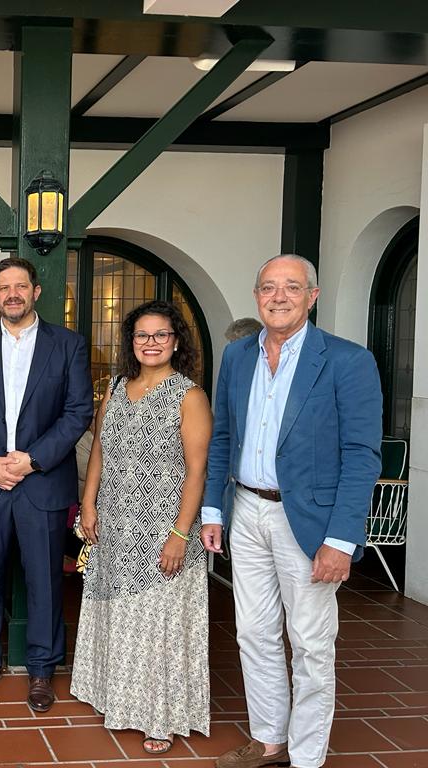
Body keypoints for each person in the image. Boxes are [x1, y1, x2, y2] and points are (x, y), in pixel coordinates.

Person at [202, 254, 382, 768]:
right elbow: (223, 439)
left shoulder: (347, 361)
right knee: (254, 634)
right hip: (247, 510)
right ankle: (269, 741)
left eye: (291, 287)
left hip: (310, 522)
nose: (278, 297)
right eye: (268, 288)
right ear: (256, 296)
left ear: (312, 296)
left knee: (310, 642)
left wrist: (342, 539)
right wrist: (214, 509)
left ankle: (306, 757)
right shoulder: (238, 356)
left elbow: (361, 456)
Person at [0, 256, 92, 711]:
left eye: (20, 286)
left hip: (41, 483)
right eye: (4, 287)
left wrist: (31, 461)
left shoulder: (67, 344)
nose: (12, 294)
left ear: (36, 292)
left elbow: (78, 412)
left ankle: (43, 670)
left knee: (45, 580)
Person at [71, 300, 212, 755]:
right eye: (142, 335)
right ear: (131, 342)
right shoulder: (114, 386)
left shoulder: (189, 395)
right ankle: (116, 696)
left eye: (161, 335)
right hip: (113, 520)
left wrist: (181, 533)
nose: (151, 343)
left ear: (175, 341)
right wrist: (88, 504)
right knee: (117, 613)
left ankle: (160, 717)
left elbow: (197, 471)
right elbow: (98, 451)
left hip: (163, 526)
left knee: (158, 621)